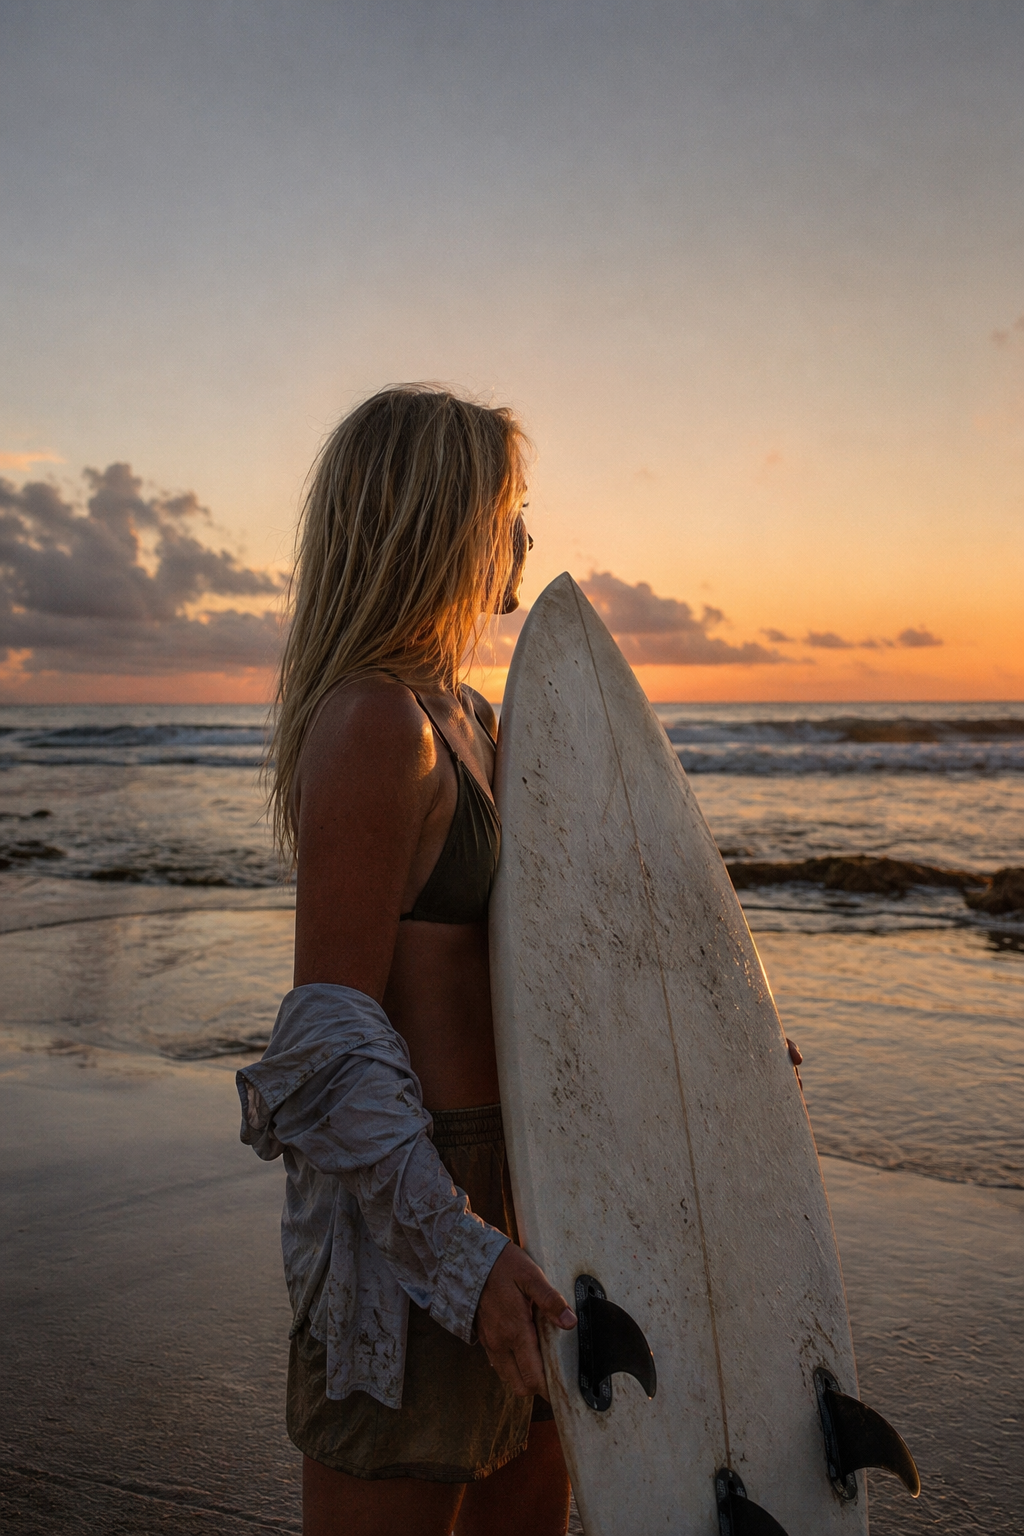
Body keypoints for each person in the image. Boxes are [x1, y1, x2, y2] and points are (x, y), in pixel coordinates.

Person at [238, 386, 577, 1536]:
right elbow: (327, 1045)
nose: (524, 536)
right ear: (440, 519)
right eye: (509, 508)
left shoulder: (479, 718)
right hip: (416, 1194)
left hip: (532, 1184)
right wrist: (460, 1252)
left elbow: (550, 963)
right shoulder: (377, 725)